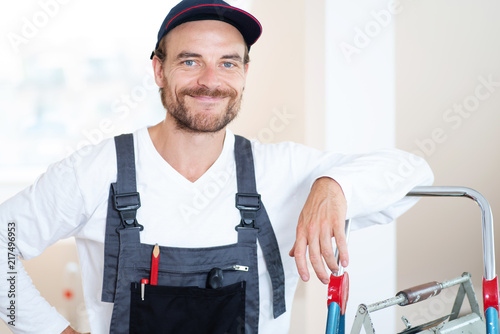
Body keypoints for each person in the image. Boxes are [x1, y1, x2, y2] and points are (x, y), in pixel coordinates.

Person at [0, 0, 433, 333]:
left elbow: (413, 172)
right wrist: (57, 330)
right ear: (159, 70)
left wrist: (333, 184)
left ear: (244, 73)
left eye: (228, 62)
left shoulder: (279, 169)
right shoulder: (98, 170)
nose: (210, 80)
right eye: (190, 61)